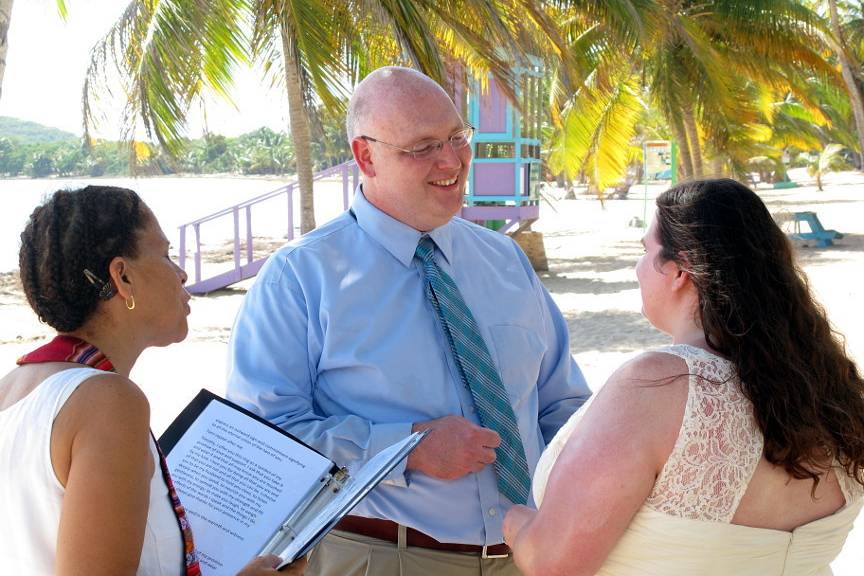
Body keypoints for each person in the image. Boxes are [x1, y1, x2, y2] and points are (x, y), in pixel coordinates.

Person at [226, 66, 592, 575]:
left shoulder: (506, 260)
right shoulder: (299, 277)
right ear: (365, 156)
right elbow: (264, 438)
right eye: (422, 147)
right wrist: (406, 449)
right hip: (383, 558)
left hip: (526, 557)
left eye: (457, 137)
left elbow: (562, 405)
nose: (451, 161)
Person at [503, 178, 864, 575]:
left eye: (645, 251)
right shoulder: (831, 392)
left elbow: (553, 563)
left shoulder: (658, 385)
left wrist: (517, 524)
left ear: (679, 271)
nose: (639, 268)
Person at [0, 186, 306, 576]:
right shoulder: (107, 402)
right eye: (165, 254)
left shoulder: (12, 388)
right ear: (122, 277)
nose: (181, 273)